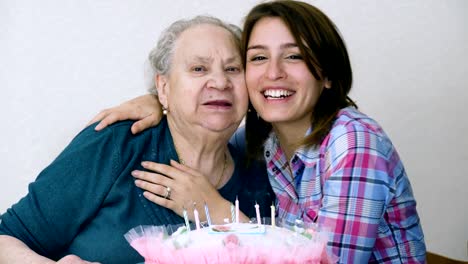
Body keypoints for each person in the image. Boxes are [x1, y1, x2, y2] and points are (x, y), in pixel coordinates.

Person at [91, 1, 427, 263]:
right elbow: (208, 123)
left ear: (326, 75)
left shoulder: (354, 140)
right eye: (258, 58)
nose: (273, 73)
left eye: (293, 56)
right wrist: (161, 100)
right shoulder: (264, 142)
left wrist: (217, 211)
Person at [0, 15, 274, 263]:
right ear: (163, 88)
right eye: (199, 69)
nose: (220, 82)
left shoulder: (261, 177)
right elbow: (7, 236)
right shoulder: (116, 143)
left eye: (233, 69)